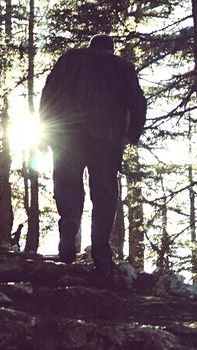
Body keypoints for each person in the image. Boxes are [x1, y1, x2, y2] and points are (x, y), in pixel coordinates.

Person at [38, 34, 147, 268]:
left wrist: (44, 130)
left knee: (67, 183)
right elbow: (137, 101)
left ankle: (69, 220)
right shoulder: (122, 67)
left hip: (67, 135)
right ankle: (100, 250)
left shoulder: (69, 59)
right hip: (106, 138)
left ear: (91, 46)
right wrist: (133, 134)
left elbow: (49, 94)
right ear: (111, 49)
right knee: (104, 193)